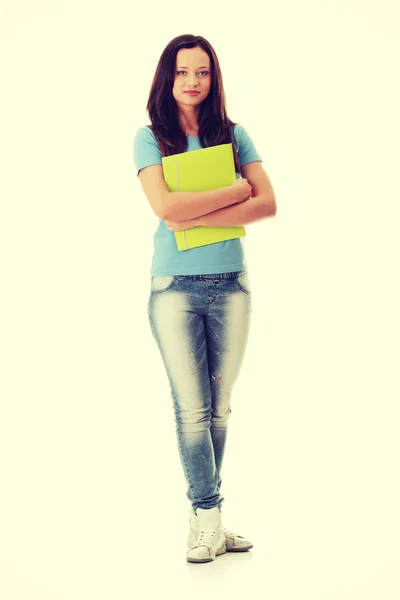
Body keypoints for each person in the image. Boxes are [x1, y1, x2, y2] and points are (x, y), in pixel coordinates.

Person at [133, 34, 277, 564]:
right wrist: (237, 191)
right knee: (192, 411)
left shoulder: (235, 135)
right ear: (166, 79)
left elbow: (269, 205)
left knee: (219, 411)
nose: (193, 81)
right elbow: (164, 208)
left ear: (214, 78)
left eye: (203, 72)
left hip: (231, 287)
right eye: (182, 72)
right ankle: (208, 517)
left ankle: (209, 521)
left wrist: (196, 212)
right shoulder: (150, 140)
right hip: (174, 290)